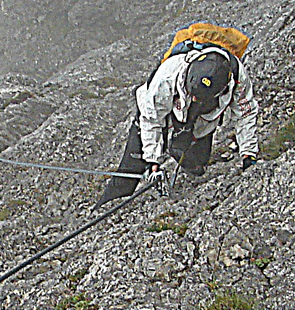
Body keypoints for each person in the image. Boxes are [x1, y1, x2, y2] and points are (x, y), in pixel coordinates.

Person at [97, 23, 261, 206]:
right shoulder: (167, 76)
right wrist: (153, 162)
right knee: (130, 171)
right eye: (192, 95)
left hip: (199, 124)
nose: (195, 100)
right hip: (163, 117)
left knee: (197, 166)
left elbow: (245, 114)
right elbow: (151, 120)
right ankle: (103, 208)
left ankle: (180, 151)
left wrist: (248, 154)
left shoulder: (237, 76)